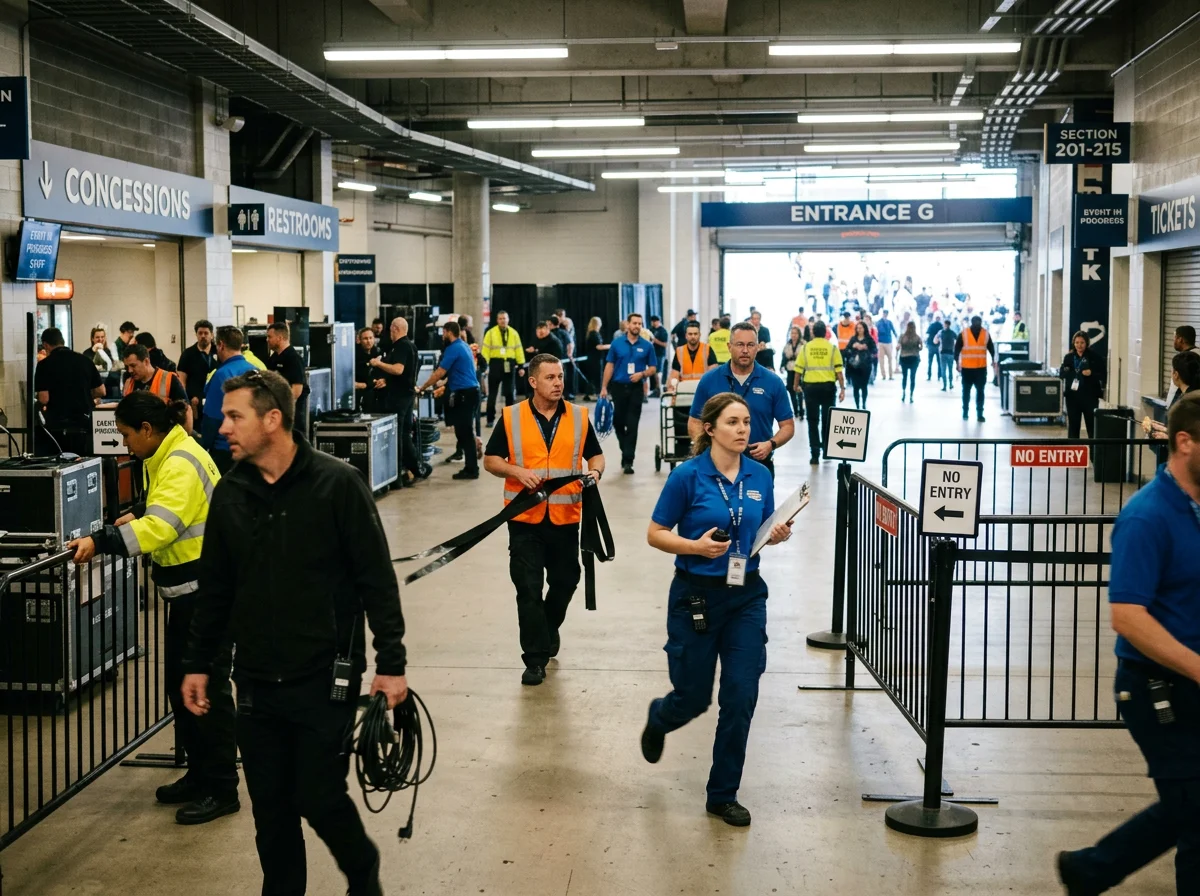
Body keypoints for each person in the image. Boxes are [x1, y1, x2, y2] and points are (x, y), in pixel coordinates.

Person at [181, 369, 409, 896]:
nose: (223, 427)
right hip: (256, 682)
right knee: (271, 810)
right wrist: (198, 662)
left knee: (317, 795)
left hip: (324, 677)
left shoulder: (337, 484)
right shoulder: (231, 493)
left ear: (272, 419)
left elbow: (376, 581)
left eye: (234, 416)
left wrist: (391, 665)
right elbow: (216, 590)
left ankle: (362, 871)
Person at [66, 391, 237, 825]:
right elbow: (172, 505)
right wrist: (139, 510)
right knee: (182, 688)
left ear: (147, 429)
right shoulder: (171, 453)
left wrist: (102, 540)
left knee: (205, 692)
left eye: (126, 435)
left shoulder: (178, 461)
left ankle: (221, 789)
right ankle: (200, 774)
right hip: (191, 594)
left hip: (205, 595)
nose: (125, 445)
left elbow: (163, 527)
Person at [1056, 393, 1200, 895]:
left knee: (1193, 812)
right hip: (1157, 690)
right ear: (1185, 442)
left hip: (1191, 682)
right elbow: (1128, 617)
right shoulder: (1147, 517)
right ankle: (1091, 868)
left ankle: (1090, 869)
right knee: (1193, 807)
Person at [640, 393, 794, 828]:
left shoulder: (760, 474)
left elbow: (761, 525)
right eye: (732, 422)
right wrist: (695, 547)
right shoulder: (687, 476)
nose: (743, 430)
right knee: (692, 697)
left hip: (746, 595)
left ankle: (723, 794)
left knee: (741, 695)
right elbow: (655, 533)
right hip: (696, 597)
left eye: (746, 422)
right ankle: (660, 718)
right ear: (709, 429)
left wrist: (776, 534)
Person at [483, 354, 605, 685]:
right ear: (533, 382)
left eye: (560, 377)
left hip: (565, 517)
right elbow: (490, 460)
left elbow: (596, 455)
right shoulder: (512, 417)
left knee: (567, 580)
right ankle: (535, 659)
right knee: (528, 587)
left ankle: (548, 627)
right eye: (550, 378)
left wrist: (594, 472)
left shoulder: (578, 416)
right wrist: (516, 471)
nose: (558, 383)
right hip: (524, 517)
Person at [687, 322, 794, 478]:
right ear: (729, 346)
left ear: (758, 347)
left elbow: (788, 426)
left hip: (759, 466)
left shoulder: (773, 382)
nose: (745, 350)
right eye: (740, 344)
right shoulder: (709, 380)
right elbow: (694, 422)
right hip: (716, 467)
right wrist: (708, 449)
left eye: (750, 345)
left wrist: (770, 444)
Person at [417, 320, 481, 480]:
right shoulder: (463, 345)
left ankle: (472, 469)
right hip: (470, 392)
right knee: (463, 431)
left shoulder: (453, 348)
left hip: (465, 394)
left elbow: (440, 372)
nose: (442, 336)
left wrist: (423, 387)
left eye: (444, 333)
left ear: (449, 332)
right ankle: (470, 466)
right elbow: (456, 372)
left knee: (465, 432)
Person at [369, 317, 427, 489]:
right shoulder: (411, 346)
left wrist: (378, 363)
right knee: (404, 434)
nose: (390, 333)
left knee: (397, 435)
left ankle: (398, 477)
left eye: (391, 330)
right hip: (407, 395)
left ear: (395, 329)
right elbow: (407, 373)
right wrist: (387, 380)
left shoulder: (401, 346)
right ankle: (417, 468)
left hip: (399, 398)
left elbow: (398, 369)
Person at [600, 313, 656, 475]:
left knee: (632, 424)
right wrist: (604, 387)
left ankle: (628, 461)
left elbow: (653, 368)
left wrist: (642, 374)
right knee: (618, 422)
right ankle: (625, 449)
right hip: (618, 388)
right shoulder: (617, 344)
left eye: (640, 323)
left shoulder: (647, 345)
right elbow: (610, 366)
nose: (637, 326)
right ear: (628, 325)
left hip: (636, 389)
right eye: (634, 323)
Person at [34, 327, 105, 456]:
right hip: (84, 424)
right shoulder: (85, 360)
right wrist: (83, 393)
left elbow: (44, 398)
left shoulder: (44, 365)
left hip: (57, 427)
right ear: (62, 341)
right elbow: (101, 391)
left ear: (46, 345)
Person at [200, 327, 256, 474]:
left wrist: (204, 446)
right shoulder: (256, 371)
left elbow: (212, 419)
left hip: (225, 451)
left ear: (221, 345)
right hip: (252, 448)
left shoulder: (221, 375)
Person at [793, 321, 846, 464]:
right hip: (828, 388)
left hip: (810, 388)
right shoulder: (832, 348)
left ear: (813, 333)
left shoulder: (806, 348)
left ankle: (815, 454)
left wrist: (795, 385)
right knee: (828, 420)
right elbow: (839, 371)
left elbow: (798, 370)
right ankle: (827, 453)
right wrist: (842, 389)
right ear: (825, 333)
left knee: (812, 421)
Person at [123, 343, 192, 428]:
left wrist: (184, 434)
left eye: (133, 366)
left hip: (165, 433)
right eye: (127, 367)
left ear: (146, 361)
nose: (129, 370)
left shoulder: (169, 379)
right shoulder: (129, 383)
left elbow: (186, 411)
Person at [1059, 331, 1106, 439]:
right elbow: (1061, 373)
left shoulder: (1095, 357)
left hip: (1089, 396)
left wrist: (1091, 373)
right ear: (1073, 343)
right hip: (1073, 396)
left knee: (1091, 425)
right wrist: (1069, 372)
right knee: (1073, 426)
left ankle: (1093, 449)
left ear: (1087, 343)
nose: (1079, 345)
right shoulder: (1069, 357)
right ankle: (1073, 448)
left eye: (1082, 343)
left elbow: (1102, 374)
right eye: (1077, 343)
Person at [264, 323, 309, 436]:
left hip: (292, 412)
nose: (267, 340)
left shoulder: (293, 359)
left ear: (279, 338)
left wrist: (284, 407)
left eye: (270, 337)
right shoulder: (273, 358)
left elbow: (296, 390)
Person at [482, 311, 525, 427]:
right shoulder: (490, 333)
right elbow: (485, 351)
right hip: (495, 364)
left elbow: (519, 350)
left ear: (508, 319)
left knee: (509, 393)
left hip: (509, 364)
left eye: (504, 318)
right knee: (492, 394)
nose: (502, 320)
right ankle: (490, 419)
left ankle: (510, 419)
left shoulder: (514, 333)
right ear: (497, 320)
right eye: (500, 318)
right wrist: (484, 366)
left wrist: (521, 365)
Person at [955, 316, 999, 423]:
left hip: (980, 368)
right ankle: (965, 412)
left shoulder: (985, 334)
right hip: (968, 368)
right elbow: (956, 349)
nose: (977, 324)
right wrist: (957, 363)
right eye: (975, 322)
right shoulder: (964, 334)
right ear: (972, 322)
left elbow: (991, 348)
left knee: (979, 391)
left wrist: (994, 360)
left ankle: (979, 414)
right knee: (967, 391)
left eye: (978, 322)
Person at [178, 320, 218, 416]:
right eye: (200, 333)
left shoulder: (219, 352)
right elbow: (181, 381)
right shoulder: (187, 354)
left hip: (216, 400)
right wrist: (186, 402)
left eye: (206, 333)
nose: (203, 336)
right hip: (195, 403)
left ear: (212, 335)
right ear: (196, 335)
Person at [668, 322, 710, 392]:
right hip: (684, 390)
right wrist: (672, 389)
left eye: (695, 334)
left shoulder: (707, 349)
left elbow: (713, 373)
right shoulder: (679, 351)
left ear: (699, 335)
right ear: (686, 336)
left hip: (703, 389)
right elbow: (674, 374)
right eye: (690, 334)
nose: (693, 336)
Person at [843, 321, 876, 410]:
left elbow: (874, 350)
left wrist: (866, 348)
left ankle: (864, 403)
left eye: (861, 328)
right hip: (855, 366)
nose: (859, 330)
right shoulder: (853, 339)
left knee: (864, 386)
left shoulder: (869, 339)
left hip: (865, 366)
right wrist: (853, 347)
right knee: (856, 386)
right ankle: (857, 405)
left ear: (864, 329)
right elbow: (846, 351)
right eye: (857, 328)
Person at [1166, 326, 1200, 406]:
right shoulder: (1194, 354)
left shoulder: (1185, 359)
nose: (1173, 341)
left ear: (1180, 339)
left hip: (1182, 404)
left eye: (1175, 338)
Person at [354, 326, 385, 413]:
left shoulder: (378, 352)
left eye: (371, 338)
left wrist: (383, 380)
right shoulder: (355, 354)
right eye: (365, 338)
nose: (368, 341)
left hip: (375, 390)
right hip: (360, 392)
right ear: (359, 340)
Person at [779, 326, 805, 420]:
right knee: (791, 390)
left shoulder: (803, 344)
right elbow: (784, 357)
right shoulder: (787, 345)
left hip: (800, 369)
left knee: (800, 390)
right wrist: (782, 366)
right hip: (790, 369)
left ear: (799, 334)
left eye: (795, 333)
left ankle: (801, 411)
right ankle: (796, 410)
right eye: (792, 333)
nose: (794, 335)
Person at [581, 317, 609, 399]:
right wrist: (610, 346)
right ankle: (597, 393)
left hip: (592, 358)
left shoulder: (590, 333)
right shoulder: (594, 334)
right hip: (595, 359)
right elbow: (598, 347)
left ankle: (589, 394)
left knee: (592, 377)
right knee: (597, 377)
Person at [898, 321, 923, 404]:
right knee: (913, 377)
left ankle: (904, 392)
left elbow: (898, 346)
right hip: (914, 358)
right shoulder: (917, 337)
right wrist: (916, 348)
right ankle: (911, 395)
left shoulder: (902, 336)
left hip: (904, 358)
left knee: (904, 376)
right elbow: (921, 347)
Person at [648, 315, 670, 398]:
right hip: (652, 353)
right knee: (653, 372)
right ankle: (655, 388)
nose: (653, 323)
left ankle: (659, 389)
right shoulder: (651, 330)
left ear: (658, 321)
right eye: (652, 322)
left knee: (658, 372)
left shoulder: (663, 331)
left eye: (655, 321)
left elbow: (665, 344)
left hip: (660, 354)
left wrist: (655, 340)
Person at [936, 319, 957, 391]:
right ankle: (950, 384)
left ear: (944, 324)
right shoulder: (952, 333)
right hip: (950, 353)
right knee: (950, 369)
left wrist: (939, 343)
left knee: (943, 370)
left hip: (943, 353)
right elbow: (958, 340)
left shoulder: (940, 332)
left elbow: (935, 340)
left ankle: (944, 386)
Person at [875, 309, 897, 381]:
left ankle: (890, 375)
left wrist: (897, 337)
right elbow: (876, 331)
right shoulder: (878, 322)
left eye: (886, 313)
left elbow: (893, 330)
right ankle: (883, 375)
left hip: (888, 342)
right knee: (881, 360)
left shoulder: (889, 322)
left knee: (890, 359)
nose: (885, 314)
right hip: (881, 342)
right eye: (884, 313)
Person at [925, 314, 944, 382]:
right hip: (938, 346)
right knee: (939, 362)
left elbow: (927, 332)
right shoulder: (941, 326)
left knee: (930, 362)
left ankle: (929, 376)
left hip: (931, 345)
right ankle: (939, 376)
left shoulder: (931, 325)